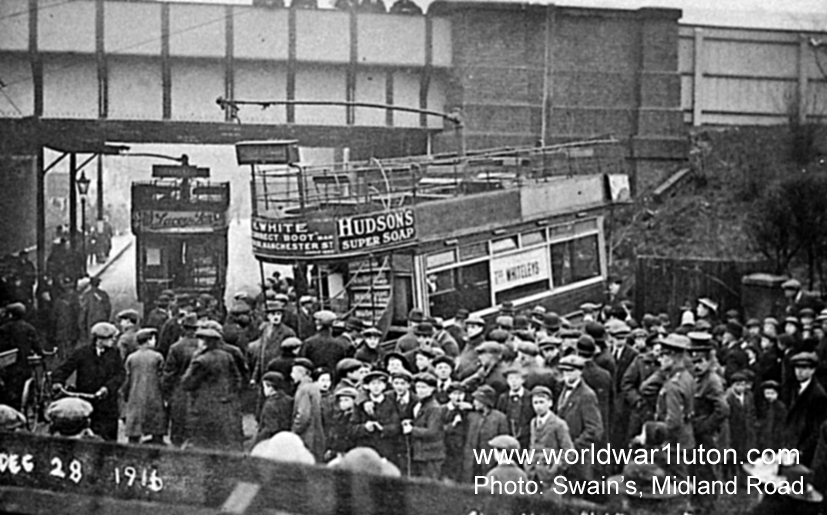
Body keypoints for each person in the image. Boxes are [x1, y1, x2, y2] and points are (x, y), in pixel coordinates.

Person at [51, 321, 123, 441]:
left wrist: (107, 388)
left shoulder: (114, 354)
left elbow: (120, 374)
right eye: (111, 338)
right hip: (86, 403)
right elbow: (64, 369)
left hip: (107, 405)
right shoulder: (82, 353)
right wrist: (58, 382)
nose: (114, 340)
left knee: (108, 440)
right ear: (99, 340)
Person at [181, 325, 243, 452]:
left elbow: (186, 383)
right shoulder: (227, 356)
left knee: (204, 443)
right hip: (224, 406)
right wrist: (229, 395)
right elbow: (237, 379)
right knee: (221, 442)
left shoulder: (200, 361)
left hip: (203, 408)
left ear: (205, 342)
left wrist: (194, 359)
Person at [555, 354, 602, 486]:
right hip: (562, 455)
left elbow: (594, 429)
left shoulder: (587, 395)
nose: (567, 375)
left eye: (571, 371)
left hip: (579, 458)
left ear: (580, 372)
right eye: (564, 371)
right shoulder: (563, 390)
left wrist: (572, 447)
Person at [161, 313, 199, 446]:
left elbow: (169, 373)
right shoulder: (202, 347)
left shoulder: (176, 347)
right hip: (198, 390)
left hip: (180, 391)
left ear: (183, 328)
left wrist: (166, 393)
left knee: (178, 425)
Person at [123, 328, 166, 445]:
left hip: (135, 394)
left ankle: (133, 441)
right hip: (154, 394)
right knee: (156, 422)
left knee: (135, 423)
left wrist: (126, 394)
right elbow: (162, 378)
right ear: (149, 340)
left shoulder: (131, 357)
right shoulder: (157, 357)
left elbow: (127, 378)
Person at [785, 351, 827, 467]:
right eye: (797, 368)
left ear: (812, 370)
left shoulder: (818, 395)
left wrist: (800, 451)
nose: (799, 372)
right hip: (790, 445)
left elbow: (816, 430)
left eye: (804, 368)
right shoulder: (793, 387)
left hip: (803, 450)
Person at [525, 385, 573, 485]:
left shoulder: (558, 424)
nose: (538, 406)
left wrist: (555, 468)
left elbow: (569, 453)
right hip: (534, 476)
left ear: (550, 403)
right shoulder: (533, 422)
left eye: (542, 402)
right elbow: (532, 446)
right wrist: (528, 464)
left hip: (553, 480)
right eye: (535, 403)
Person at [0, 302, 43, 410]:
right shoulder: (29, 328)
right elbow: (36, 344)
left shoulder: (4, 328)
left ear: (10, 315)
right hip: (23, 363)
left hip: (6, 364)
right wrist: (41, 353)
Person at [462, 385, 509, 482]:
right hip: (471, 462)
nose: (474, 402)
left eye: (477, 400)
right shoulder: (471, 416)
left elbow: (504, 443)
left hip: (490, 463)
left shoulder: (500, 418)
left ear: (485, 402)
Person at [402, 372, 444, 479]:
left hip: (431, 455)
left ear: (432, 389)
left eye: (424, 387)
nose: (420, 390)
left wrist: (412, 430)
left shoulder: (434, 408)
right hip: (422, 453)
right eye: (418, 387)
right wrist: (411, 423)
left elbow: (432, 431)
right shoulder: (420, 404)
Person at [354, 370, 401, 464]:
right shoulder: (360, 405)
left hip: (386, 449)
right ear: (367, 386)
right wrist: (364, 428)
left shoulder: (391, 402)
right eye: (373, 383)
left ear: (384, 386)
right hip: (366, 449)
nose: (376, 386)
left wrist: (383, 428)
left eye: (379, 383)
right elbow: (351, 428)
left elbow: (396, 426)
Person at [290, 357, 326, 462]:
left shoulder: (304, 389)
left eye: (293, 372)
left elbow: (303, 415)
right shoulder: (313, 387)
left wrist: (294, 431)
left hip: (307, 437)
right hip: (316, 435)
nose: (291, 376)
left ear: (302, 373)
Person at [253, 371, 294, 447]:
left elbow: (270, 428)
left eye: (264, 387)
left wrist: (257, 441)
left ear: (271, 388)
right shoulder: (289, 400)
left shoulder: (270, 404)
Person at [77, 277, 111, 343]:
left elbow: (83, 313)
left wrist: (81, 327)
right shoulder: (103, 294)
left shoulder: (86, 296)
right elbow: (108, 308)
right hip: (102, 320)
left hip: (91, 322)